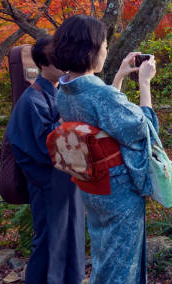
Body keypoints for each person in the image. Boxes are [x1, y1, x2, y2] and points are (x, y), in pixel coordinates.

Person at [52, 15, 157, 284]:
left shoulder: (64, 91)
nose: (106, 50)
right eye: (104, 45)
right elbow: (142, 129)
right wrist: (145, 84)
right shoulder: (101, 95)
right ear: (89, 51)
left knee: (105, 253)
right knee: (122, 262)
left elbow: (105, 118)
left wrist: (120, 75)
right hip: (118, 190)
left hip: (92, 184)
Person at [6, 36, 85, 284]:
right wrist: (66, 119)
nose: (64, 62)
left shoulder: (56, 93)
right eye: (56, 57)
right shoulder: (31, 100)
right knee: (51, 240)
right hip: (49, 184)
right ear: (42, 63)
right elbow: (43, 146)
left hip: (68, 181)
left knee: (72, 236)